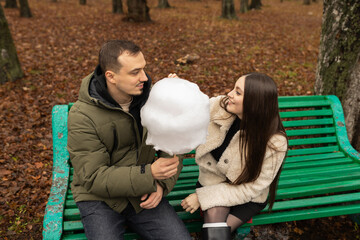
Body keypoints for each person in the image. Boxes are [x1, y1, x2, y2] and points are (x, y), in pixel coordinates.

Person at [67, 40, 192, 240]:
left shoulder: (153, 99)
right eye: (135, 72)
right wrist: (149, 173)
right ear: (111, 76)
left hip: (143, 193)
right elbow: (93, 177)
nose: (144, 77)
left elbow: (173, 147)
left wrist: (161, 184)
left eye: (143, 69)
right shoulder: (82, 116)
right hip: (100, 199)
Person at [181, 72, 288, 240]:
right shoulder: (220, 107)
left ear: (254, 102)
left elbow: (253, 188)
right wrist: (174, 87)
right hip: (213, 183)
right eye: (233, 88)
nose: (229, 94)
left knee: (215, 233)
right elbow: (191, 106)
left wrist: (201, 197)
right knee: (216, 226)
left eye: (238, 92)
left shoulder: (274, 142)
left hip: (248, 196)